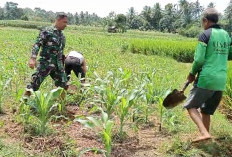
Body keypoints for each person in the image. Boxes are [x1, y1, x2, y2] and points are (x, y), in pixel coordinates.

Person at [184, 8, 232, 142]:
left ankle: (204, 133)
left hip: (207, 78)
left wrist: (192, 73)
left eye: (202, 22)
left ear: (205, 20)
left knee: (190, 106)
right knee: (206, 111)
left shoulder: (205, 35)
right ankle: (205, 139)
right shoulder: (226, 35)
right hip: (221, 81)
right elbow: (230, 54)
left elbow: (199, 59)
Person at [24, 13, 69, 97]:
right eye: (64, 22)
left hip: (58, 65)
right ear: (58, 20)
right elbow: (37, 44)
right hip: (45, 63)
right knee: (34, 85)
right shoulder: (47, 31)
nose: (66, 25)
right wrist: (33, 58)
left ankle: (60, 106)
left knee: (64, 85)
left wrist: (62, 62)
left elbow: (60, 51)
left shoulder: (62, 36)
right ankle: (23, 103)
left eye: (66, 22)